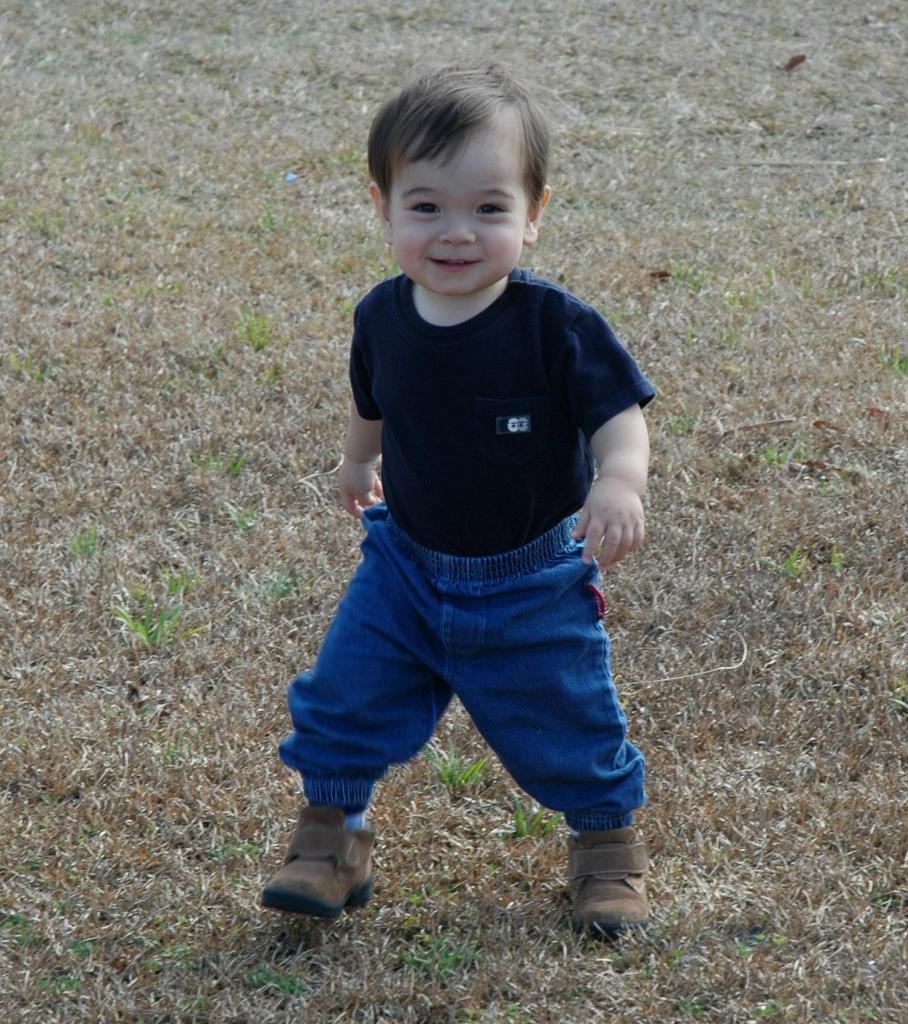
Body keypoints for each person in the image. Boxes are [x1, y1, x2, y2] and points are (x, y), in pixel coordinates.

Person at [261, 64, 655, 936]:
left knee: (568, 719)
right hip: (402, 565)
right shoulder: (381, 315)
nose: (455, 232)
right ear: (383, 207)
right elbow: (373, 401)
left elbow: (616, 414)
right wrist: (356, 461)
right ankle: (330, 840)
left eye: (488, 208)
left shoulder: (554, 326)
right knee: (344, 698)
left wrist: (619, 478)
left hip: (530, 580)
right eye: (426, 205)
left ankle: (605, 850)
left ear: (533, 214)